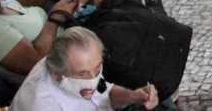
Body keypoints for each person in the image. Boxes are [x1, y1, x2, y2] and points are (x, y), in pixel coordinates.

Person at [10, 27, 159, 111]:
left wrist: (134, 96)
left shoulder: (80, 65)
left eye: (97, 67)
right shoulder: (40, 105)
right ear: (56, 74)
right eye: (82, 74)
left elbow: (103, 92)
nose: (93, 78)